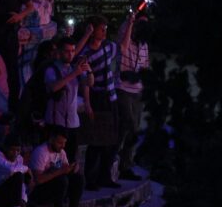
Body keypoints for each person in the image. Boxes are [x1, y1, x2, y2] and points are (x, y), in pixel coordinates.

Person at [75, 16, 120, 189]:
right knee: (96, 140)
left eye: (105, 29)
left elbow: (121, 46)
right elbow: (85, 81)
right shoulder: (86, 53)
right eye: (102, 29)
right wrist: (88, 104)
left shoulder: (108, 46)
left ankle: (105, 176)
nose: (104, 32)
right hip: (98, 97)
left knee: (111, 139)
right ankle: (91, 179)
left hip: (111, 96)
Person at [44, 36, 91, 162]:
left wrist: (89, 71)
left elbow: (89, 83)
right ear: (59, 52)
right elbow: (53, 87)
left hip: (72, 122)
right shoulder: (51, 69)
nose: (70, 54)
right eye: (67, 51)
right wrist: (74, 73)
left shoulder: (75, 68)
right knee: (53, 159)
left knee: (71, 159)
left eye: (73, 51)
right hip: (56, 122)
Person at [29, 126, 84, 207]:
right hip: (38, 192)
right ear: (51, 139)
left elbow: (65, 168)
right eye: (59, 143)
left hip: (56, 188)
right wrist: (60, 171)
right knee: (61, 180)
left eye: (64, 143)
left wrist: (73, 168)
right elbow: (37, 180)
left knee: (78, 178)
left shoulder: (61, 152)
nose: (62, 146)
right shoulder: (41, 152)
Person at [117, 12, 149, 181]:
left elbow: (145, 66)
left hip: (138, 92)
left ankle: (124, 165)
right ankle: (119, 161)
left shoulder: (144, 45)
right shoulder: (126, 39)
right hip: (123, 89)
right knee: (130, 127)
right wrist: (130, 22)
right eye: (140, 24)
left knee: (131, 130)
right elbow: (122, 45)